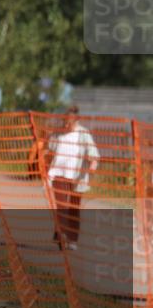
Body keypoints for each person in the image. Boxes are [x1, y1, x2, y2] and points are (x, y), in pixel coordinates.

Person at [47, 105, 100, 251]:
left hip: (77, 177)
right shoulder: (58, 133)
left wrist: (93, 163)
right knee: (62, 206)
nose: (66, 125)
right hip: (59, 175)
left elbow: (93, 152)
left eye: (69, 123)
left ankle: (72, 238)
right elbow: (48, 148)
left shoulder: (83, 134)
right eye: (64, 122)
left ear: (77, 120)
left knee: (73, 209)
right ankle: (61, 233)